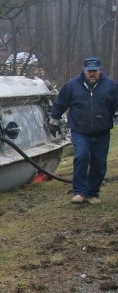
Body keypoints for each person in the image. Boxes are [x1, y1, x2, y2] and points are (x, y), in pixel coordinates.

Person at [49, 57, 118, 204]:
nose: (92, 74)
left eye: (95, 71)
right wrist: (54, 121)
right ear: (84, 71)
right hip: (80, 131)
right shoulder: (72, 85)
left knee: (99, 163)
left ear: (100, 70)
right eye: (89, 71)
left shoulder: (110, 85)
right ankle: (79, 192)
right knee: (81, 156)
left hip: (102, 131)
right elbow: (60, 102)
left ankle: (92, 194)